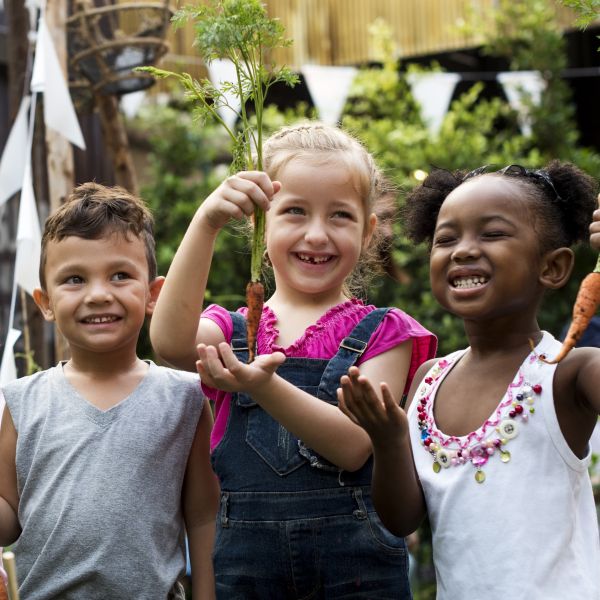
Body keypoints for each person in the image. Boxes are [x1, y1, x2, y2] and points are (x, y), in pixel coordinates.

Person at [150, 122, 437, 599]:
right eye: (295, 212)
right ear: (261, 225)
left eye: (340, 216)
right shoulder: (235, 329)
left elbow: (352, 445)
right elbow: (170, 342)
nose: (317, 234)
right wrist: (206, 223)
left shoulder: (386, 332)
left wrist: (263, 386)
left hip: (356, 573)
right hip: (247, 571)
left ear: (367, 233)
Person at [338, 161, 600, 599]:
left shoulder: (568, 371)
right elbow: (401, 519)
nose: (462, 250)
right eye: (446, 239)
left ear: (552, 268)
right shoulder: (428, 378)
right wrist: (386, 438)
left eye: (492, 234)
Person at [0, 183, 220, 599]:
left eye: (120, 275)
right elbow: (8, 515)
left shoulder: (186, 399)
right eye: (75, 280)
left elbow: (203, 518)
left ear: (153, 294)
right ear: (45, 302)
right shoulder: (23, 401)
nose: (99, 295)